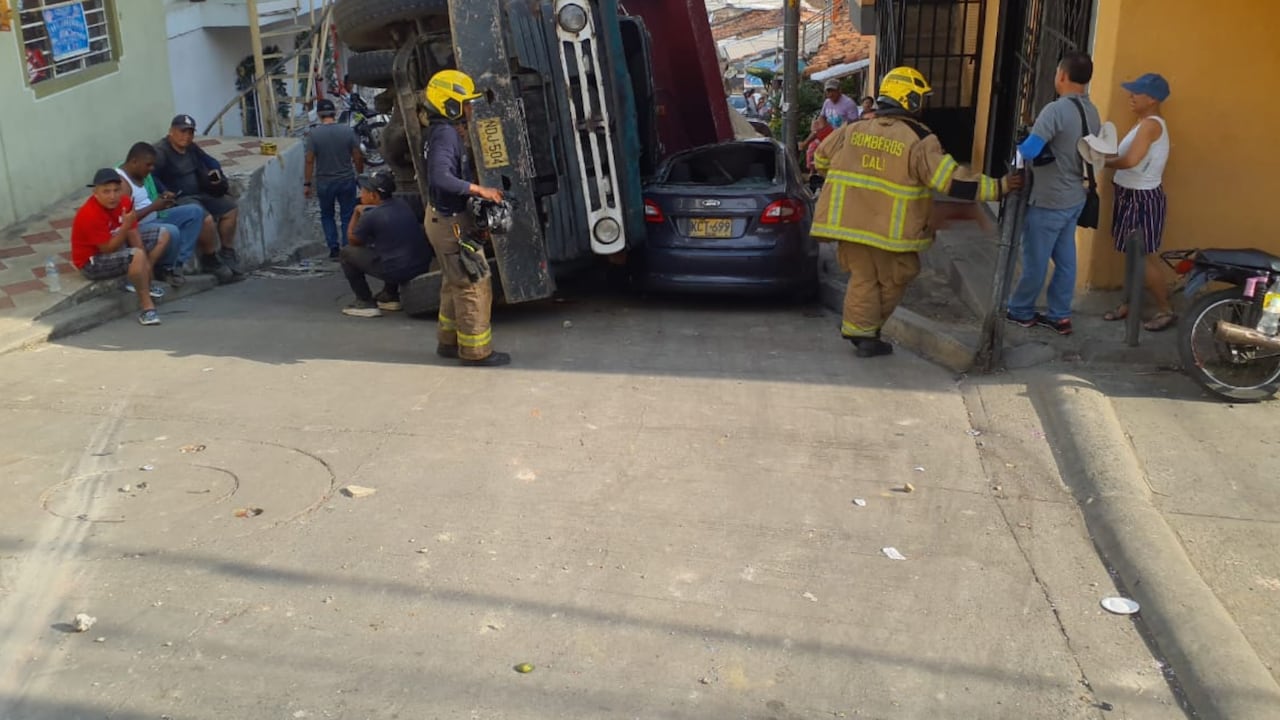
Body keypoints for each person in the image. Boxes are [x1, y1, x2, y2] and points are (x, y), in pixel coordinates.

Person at [813, 66, 1021, 358]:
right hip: (891, 231)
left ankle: (862, 333)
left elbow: (820, 158)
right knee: (898, 275)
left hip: (849, 224)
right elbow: (950, 180)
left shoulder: (854, 129)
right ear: (908, 99)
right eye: (919, 98)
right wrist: (998, 188)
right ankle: (865, 332)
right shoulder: (919, 138)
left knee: (863, 277)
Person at [1006, 52, 1100, 336]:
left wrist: (1020, 150)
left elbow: (1031, 150)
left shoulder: (1055, 110)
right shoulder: (1091, 111)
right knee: (1066, 261)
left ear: (1062, 75)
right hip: (1074, 196)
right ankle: (1060, 315)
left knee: (1035, 260)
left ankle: (1021, 310)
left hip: (1048, 199)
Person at [422, 69, 510, 367]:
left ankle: (448, 342)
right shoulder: (446, 134)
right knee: (474, 283)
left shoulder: (440, 131)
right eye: (467, 103)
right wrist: (479, 190)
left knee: (454, 281)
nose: (471, 109)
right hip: (449, 224)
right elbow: (440, 177)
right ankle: (475, 352)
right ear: (450, 104)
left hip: (443, 219)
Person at [1102, 73, 1174, 331]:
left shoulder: (1150, 125)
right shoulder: (1142, 123)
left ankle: (1165, 310)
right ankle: (1129, 303)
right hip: (1130, 194)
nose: (1130, 96)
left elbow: (1131, 160)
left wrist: (1101, 162)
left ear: (1152, 98)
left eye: (1136, 92)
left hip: (1142, 198)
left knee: (1143, 257)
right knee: (1133, 256)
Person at [118, 142, 231, 287]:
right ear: (134, 162)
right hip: (140, 226)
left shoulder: (140, 173)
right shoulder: (122, 183)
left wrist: (163, 199)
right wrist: (154, 207)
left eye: (153, 165)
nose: (151, 169)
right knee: (171, 231)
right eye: (148, 165)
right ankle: (164, 268)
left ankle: (176, 264)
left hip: (155, 215)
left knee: (195, 212)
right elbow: (126, 221)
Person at [71, 169, 170, 326]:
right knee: (135, 255)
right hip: (92, 261)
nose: (112, 196)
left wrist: (146, 269)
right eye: (106, 192)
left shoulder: (124, 202)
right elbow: (107, 249)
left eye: (116, 190)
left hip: (118, 245)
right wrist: (125, 227)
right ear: (95, 193)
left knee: (162, 234)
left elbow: (134, 235)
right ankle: (147, 308)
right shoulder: (89, 214)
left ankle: (141, 280)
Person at [152, 114, 244, 278]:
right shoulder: (161, 151)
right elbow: (152, 175)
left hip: (201, 192)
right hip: (180, 198)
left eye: (190, 132)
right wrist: (164, 190)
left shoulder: (191, 147)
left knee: (230, 208)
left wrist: (216, 175)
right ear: (171, 131)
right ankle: (209, 258)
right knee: (205, 218)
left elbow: (211, 161)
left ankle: (227, 251)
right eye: (182, 131)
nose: (186, 136)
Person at [339, 171, 434, 317]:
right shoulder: (401, 204)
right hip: (419, 265)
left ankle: (365, 301)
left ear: (374, 196)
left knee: (346, 253)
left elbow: (352, 240)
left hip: (397, 270)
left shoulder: (371, 216)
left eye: (364, 191)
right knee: (388, 246)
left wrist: (356, 213)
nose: (361, 195)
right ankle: (390, 295)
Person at [306, 98, 365, 260]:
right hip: (346, 180)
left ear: (319, 115)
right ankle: (347, 247)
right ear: (335, 113)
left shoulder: (313, 135)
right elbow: (357, 156)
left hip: (324, 182)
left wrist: (307, 184)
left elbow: (310, 160)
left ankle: (333, 248)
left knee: (327, 215)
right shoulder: (347, 131)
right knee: (347, 214)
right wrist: (360, 174)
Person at [799, 115, 834, 192]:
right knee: (811, 149)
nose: (817, 123)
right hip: (822, 151)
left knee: (812, 149)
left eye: (819, 121)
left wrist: (805, 144)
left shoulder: (828, 130)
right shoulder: (820, 132)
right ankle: (812, 172)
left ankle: (815, 173)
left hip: (827, 152)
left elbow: (815, 134)